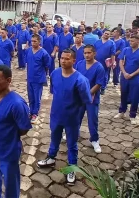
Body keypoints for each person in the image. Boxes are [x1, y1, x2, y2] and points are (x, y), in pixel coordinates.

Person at [37, 49, 91, 186]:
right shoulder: (54, 74)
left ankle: (72, 167)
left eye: (67, 59)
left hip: (72, 118)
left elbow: (86, 100)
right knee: (54, 137)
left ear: (74, 61)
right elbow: (54, 91)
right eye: (62, 58)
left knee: (71, 144)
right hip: (56, 115)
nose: (63, 61)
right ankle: (51, 157)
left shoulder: (80, 80)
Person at [0, 65, 32, 198]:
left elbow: (23, 129)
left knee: (11, 182)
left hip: (8, 151)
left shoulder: (17, 104)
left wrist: (8, 135)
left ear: (8, 80)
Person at [75, 45, 105, 153]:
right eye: (85, 53)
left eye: (89, 53)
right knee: (76, 116)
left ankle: (94, 140)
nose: (87, 55)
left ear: (94, 53)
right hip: (79, 97)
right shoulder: (79, 64)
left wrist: (87, 94)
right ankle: (74, 134)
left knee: (92, 119)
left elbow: (99, 83)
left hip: (92, 98)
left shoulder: (99, 67)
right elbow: (76, 78)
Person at [114, 35, 139, 125]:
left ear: (138, 41)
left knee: (135, 96)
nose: (130, 43)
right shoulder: (126, 50)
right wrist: (124, 72)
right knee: (123, 93)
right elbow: (121, 61)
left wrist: (132, 74)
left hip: (136, 77)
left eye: (133, 41)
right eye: (130, 41)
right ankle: (122, 111)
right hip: (125, 76)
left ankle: (132, 115)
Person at [26, 34, 51, 123]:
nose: (32, 43)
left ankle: (35, 113)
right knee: (30, 96)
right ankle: (31, 111)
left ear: (39, 42)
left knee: (37, 97)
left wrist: (42, 74)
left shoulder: (43, 53)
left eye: (35, 41)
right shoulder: (29, 51)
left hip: (38, 79)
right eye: (31, 41)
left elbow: (47, 65)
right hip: (30, 78)